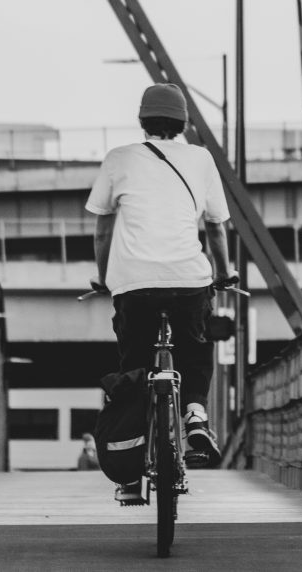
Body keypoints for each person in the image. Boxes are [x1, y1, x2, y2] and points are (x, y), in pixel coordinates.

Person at [85, 83, 237, 503]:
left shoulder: (118, 159)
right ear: (183, 122)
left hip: (133, 283)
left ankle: (130, 477)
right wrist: (224, 274)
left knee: (133, 368)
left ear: (142, 121)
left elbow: (102, 228)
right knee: (194, 345)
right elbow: (216, 227)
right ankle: (195, 413)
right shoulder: (201, 158)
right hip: (189, 280)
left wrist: (104, 277)